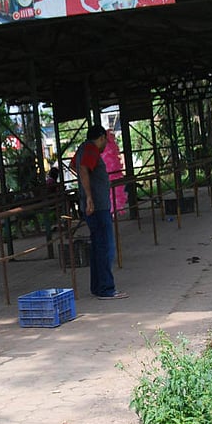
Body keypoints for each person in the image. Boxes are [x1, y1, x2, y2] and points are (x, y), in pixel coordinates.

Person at [72, 124, 128, 300]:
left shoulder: (82, 148)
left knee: (98, 247)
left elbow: (74, 165)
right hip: (98, 206)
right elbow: (82, 169)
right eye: (106, 140)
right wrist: (89, 195)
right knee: (106, 247)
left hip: (93, 205)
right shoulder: (91, 148)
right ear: (102, 138)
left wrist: (86, 185)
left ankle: (97, 287)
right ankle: (106, 288)